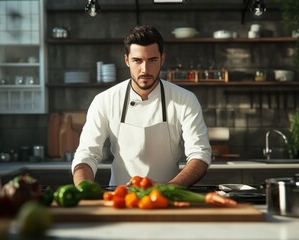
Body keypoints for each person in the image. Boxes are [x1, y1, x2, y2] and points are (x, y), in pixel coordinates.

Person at [72, 25, 211, 188]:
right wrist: (83, 190)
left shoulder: (185, 99)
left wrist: (168, 189)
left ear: (162, 59)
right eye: (137, 60)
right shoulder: (105, 100)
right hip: (120, 198)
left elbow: (200, 154)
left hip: (167, 199)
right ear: (126, 60)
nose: (145, 69)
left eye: (152, 60)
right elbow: (87, 154)